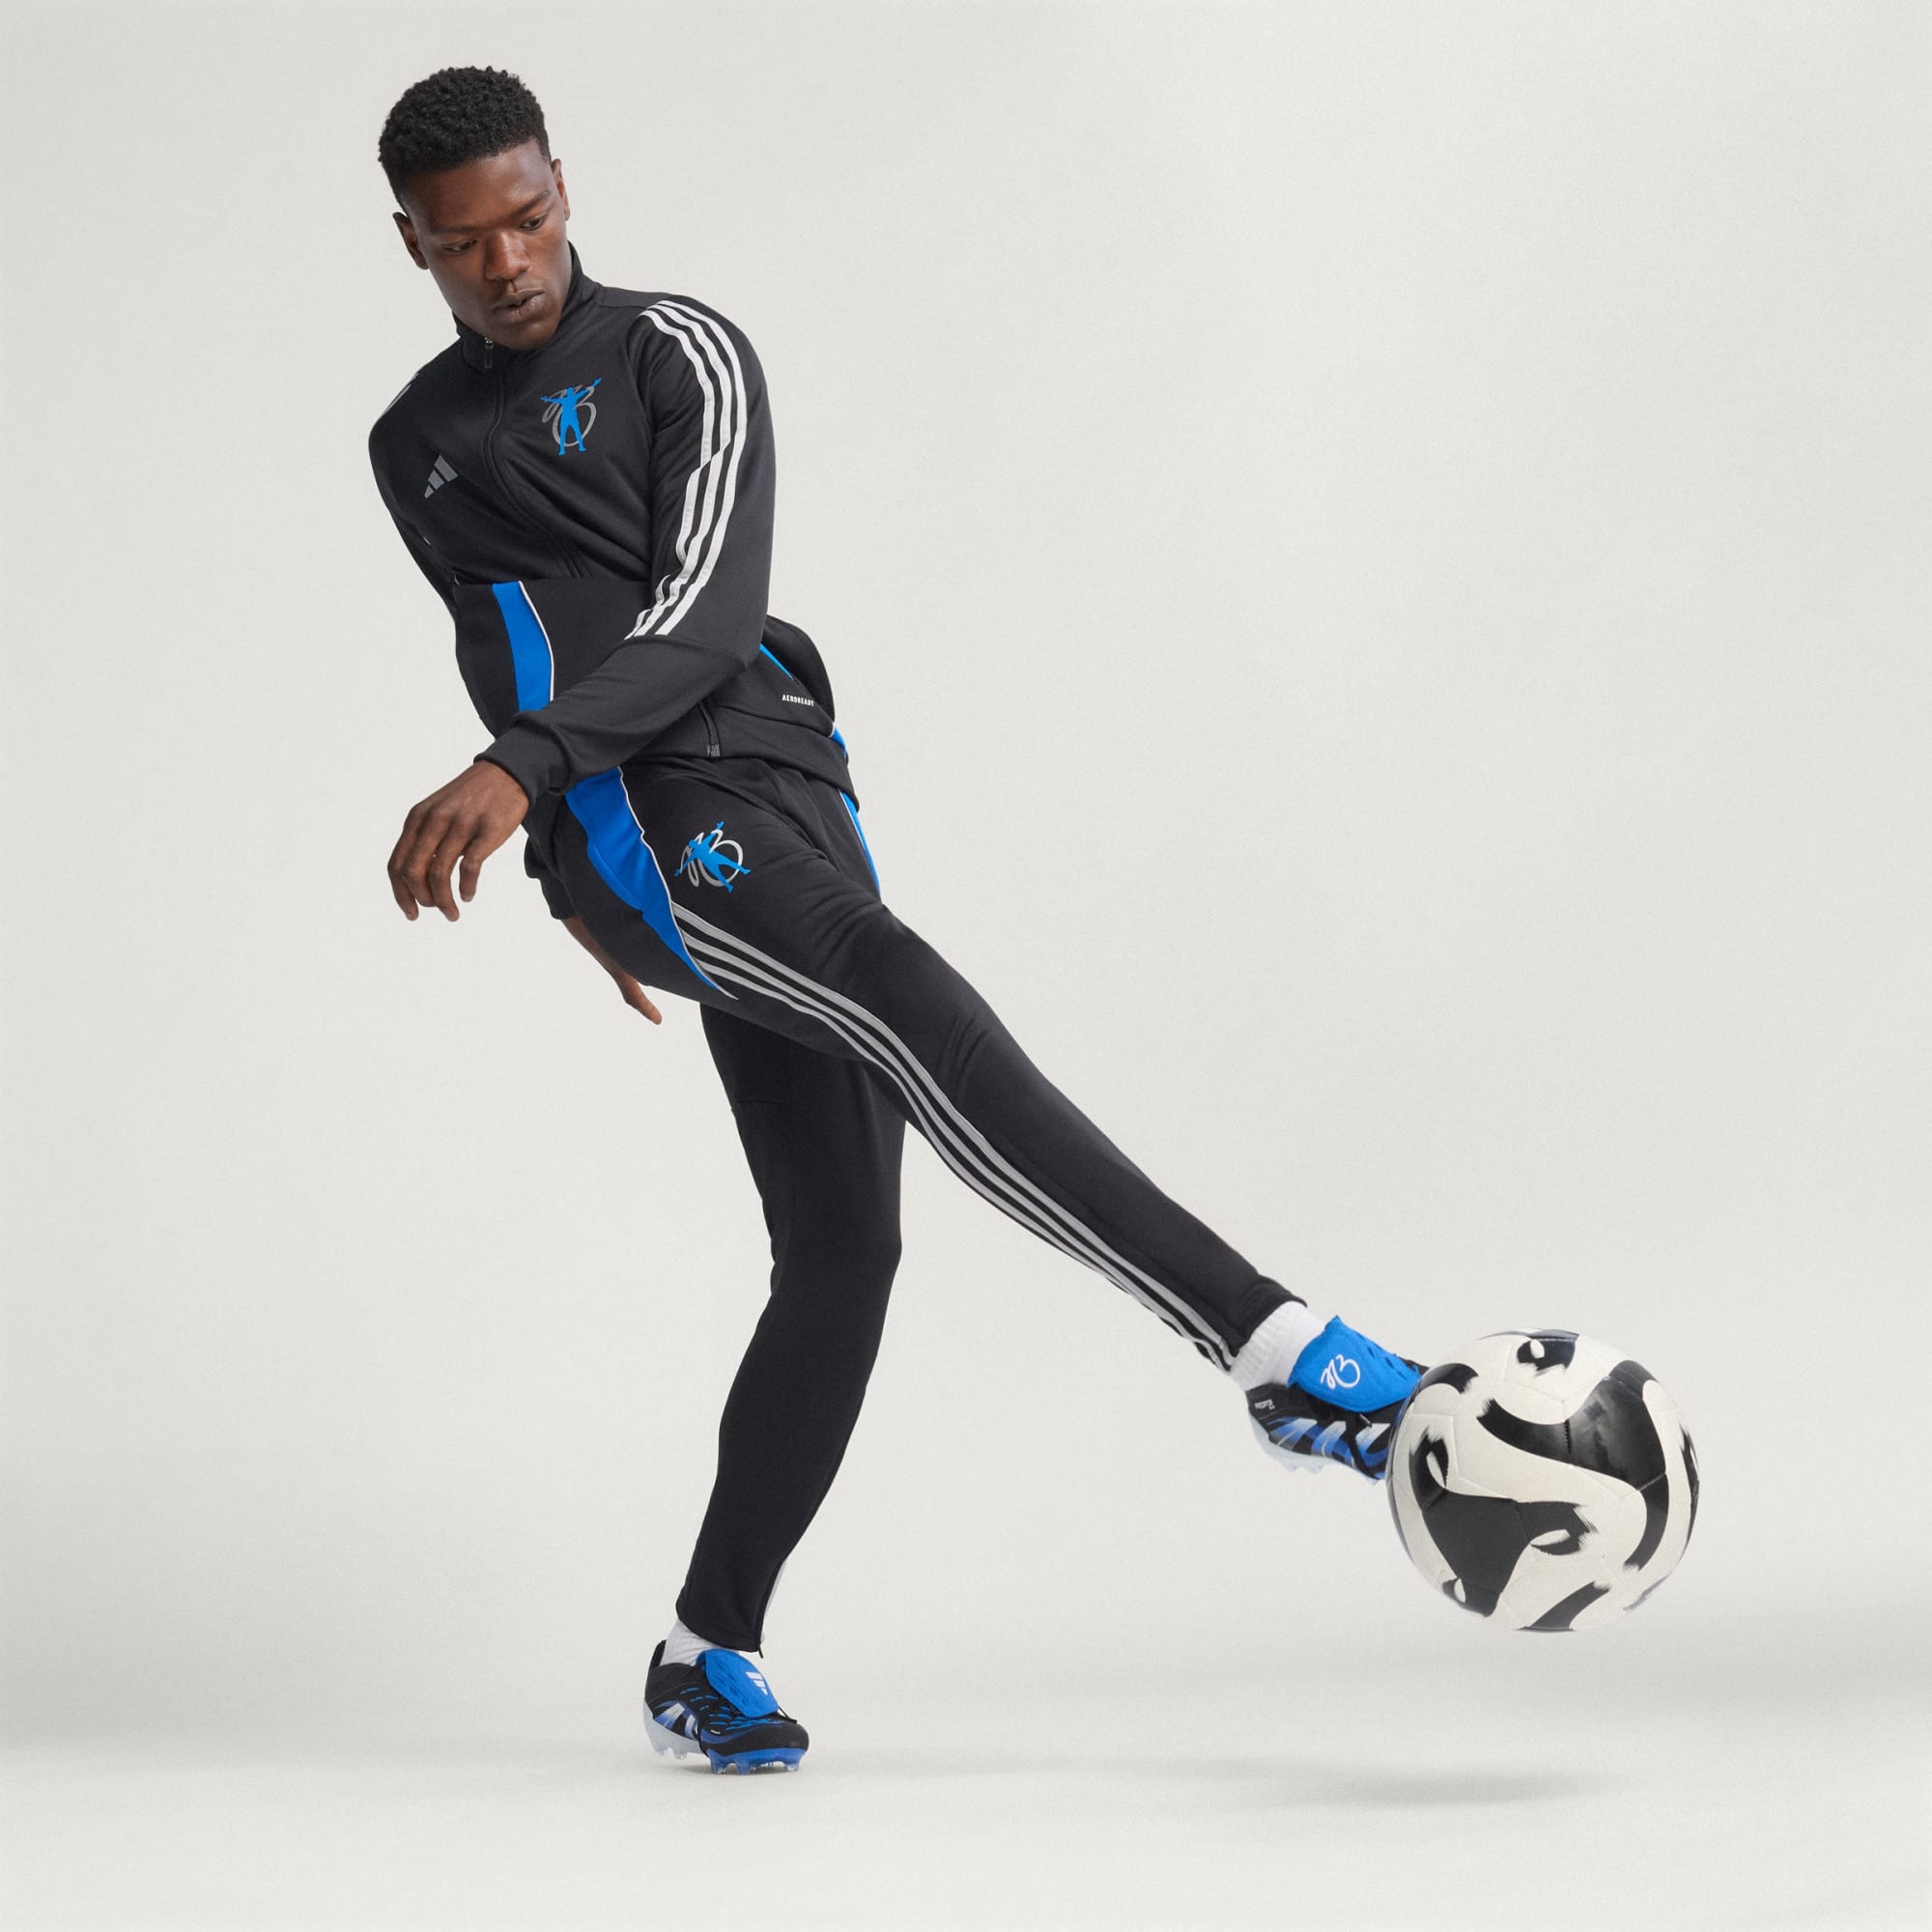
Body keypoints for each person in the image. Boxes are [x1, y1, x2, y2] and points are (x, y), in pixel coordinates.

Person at [369, 66, 1422, 1776]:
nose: (506, 264)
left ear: (565, 185)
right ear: (411, 243)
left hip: (783, 785)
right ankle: (1272, 1347)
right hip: (646, 813)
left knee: (846, 1247)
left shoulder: (678, 352)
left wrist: (522, 772)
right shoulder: (413, 444)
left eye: (530, 218)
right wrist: (562, 834)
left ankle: (705, 1650)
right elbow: (519, 650)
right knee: (896, 985)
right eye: (462, 241)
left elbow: (709, 612)